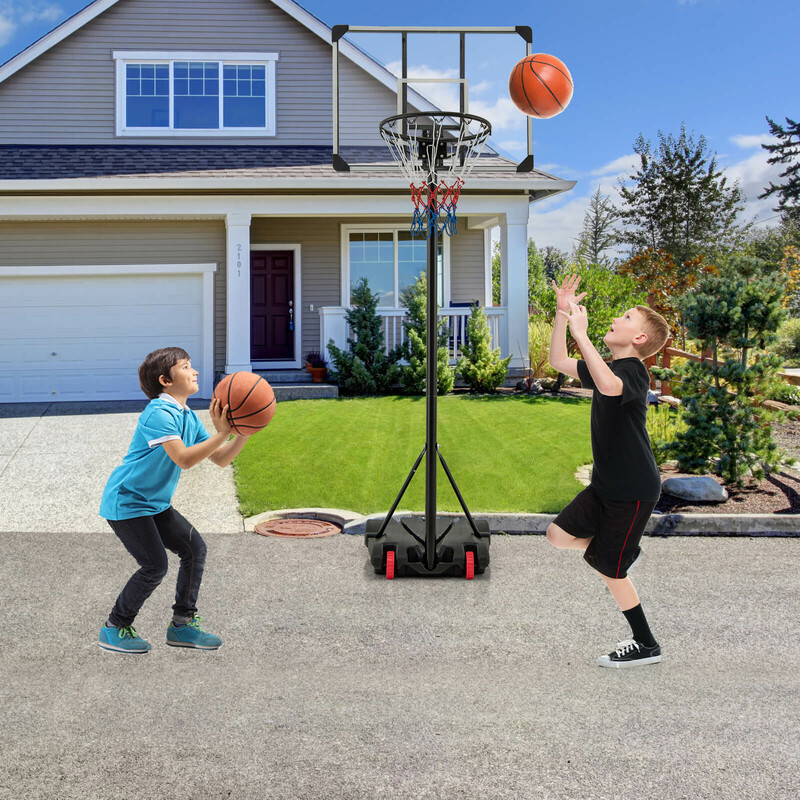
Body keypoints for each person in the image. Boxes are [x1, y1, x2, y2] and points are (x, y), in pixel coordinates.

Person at [546, 275, 669, 668]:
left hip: (632, 490)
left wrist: (582, 334)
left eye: (627, 316)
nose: (618, 317)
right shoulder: (611, 366)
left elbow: (611, 386)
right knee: (557, 535)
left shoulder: (633, 370)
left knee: (611, 572)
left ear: (639, 340)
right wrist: (562, 314)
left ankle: (646, 644)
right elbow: (557, 363)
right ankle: (617, 552)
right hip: (607, 486)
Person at [98, 347, 250, 654]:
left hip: (154, 504)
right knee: (154, 566)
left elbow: (219, 459)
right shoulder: (158, 412)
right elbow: (183, 459)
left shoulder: (186, 415)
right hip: (127, 503)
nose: (194, 372)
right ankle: (114, 628)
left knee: (195, 549)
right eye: (186, 367)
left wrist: (243, 431)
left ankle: (182, 625)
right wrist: (222, 433)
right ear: (165, 380)